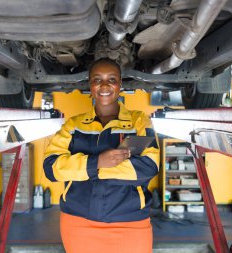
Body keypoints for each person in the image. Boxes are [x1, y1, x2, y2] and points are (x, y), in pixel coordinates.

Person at [43, 58, 160, 253]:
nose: (104, 85)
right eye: (97, 79)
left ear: (120, 84)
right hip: (78, 222)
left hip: (131, 223)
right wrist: (97, 162)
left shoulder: (137, 121)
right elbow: (51, 168)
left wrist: (88, 169)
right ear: (90, 85)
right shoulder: (74, 125)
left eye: (111, 79)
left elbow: (148, 166)